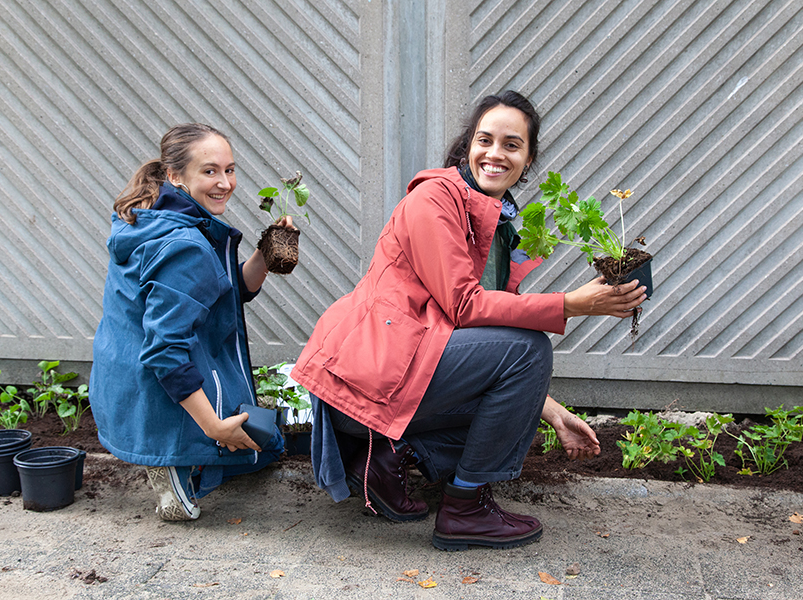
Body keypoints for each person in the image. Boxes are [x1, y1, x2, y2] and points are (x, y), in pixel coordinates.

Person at [291, 91, 646, 550]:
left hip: (400, 378)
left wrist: (554, 414)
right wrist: (571, 304)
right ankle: (466, 509)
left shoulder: (496, 224)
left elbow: (487, 350)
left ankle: (390, 457)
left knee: (516, 388)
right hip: (365, 385)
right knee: (530, 347)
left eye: (512, 145)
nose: (495, 154)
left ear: (528, 157)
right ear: (467, 146)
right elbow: (465, 308)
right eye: (485, 140)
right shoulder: (434, 199)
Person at [90, 123, 293, 521]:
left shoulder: (156, 217)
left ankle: (189, 447)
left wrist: (266, 254)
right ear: (175, 176)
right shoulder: (185, 244)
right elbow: (166, 351)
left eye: (230, 169)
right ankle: (174, 463)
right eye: (210, 171)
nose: (225, 183)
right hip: (155, 383)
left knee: (261, 452)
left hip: (121, 374)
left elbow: (221, 292)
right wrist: (215, 427)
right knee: (234, 439)